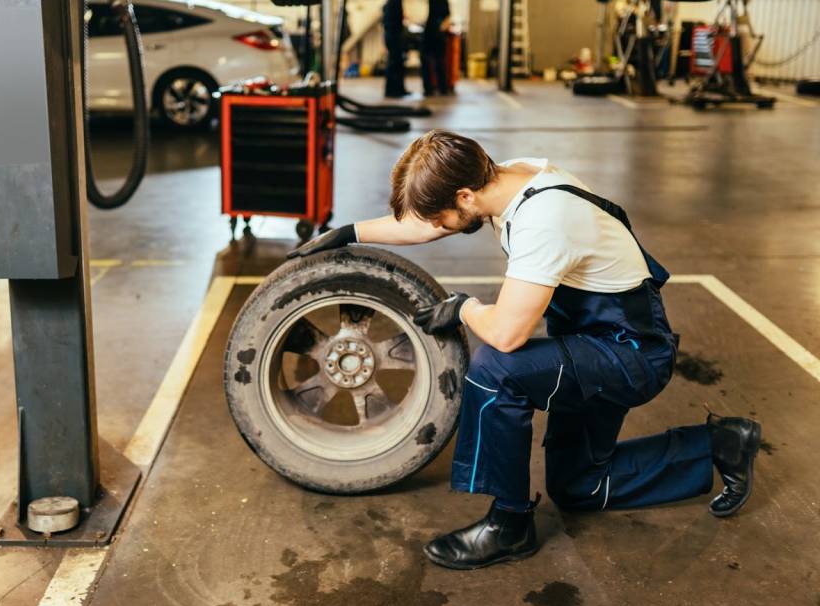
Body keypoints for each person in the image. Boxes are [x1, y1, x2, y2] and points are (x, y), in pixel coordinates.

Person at [288, 130, 762, 570]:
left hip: (627, 355)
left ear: (466, 197)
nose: (435, 226)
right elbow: (429, 225)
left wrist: (464, 308)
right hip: (591, 341)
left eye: (441, 213)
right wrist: (347, 233)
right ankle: (720, 444)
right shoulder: (505, 176)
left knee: (497, 369)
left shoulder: (543, 219)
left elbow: (509, 333)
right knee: (578, 487)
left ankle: (510, 525)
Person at [421, 0, 451, 96]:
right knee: (440, 62)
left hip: (430, 34)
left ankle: (428, 89)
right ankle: (443, 88)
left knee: (426, 61)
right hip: (439, 35)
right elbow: (447, 16)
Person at [382, 0, 410, 98]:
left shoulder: (391, 1)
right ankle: (392, 91)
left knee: (397, 63)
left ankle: (398, 89)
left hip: (392, 35)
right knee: (395, 63)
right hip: (393, 36)